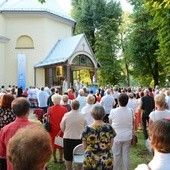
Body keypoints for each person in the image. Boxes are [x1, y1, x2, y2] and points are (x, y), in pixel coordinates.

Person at [0, 97, 33, 170]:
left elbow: (2, 155)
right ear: (28, 110)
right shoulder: (37, 129)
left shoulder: (5, 130)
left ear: (13, 111)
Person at [82, 104, 116, 170]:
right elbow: (111, 144)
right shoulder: (109, 128)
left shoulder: (86, 129)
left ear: (91, 114)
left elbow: (84, 146)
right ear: (103, 114)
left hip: (90, 159)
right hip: (106, 159)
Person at [109, 93, 134, 170]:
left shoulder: (113, 111)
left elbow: (110, 122)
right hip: (127, 135)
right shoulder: (131, 111)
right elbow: (132, 121)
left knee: (116, 155)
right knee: (125, 155)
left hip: (116, 136)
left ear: (118, 101)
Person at [60, 100, 86, 170]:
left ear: (71, 106)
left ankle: (69, 169)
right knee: (80, 157)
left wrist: (66, 132)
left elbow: (62, 126)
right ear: (78, 107)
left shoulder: (66, 115)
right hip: (79, 138)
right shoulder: (82, 116)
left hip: (68, 137)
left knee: (68, 158)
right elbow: (85, 127)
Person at [47, 94, 68, 163]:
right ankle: (61, 158)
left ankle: (54, 158)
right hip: (61, 129)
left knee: (53, 144)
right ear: (60, 100)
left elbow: (48, 118)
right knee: (61, 145)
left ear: (53, 101)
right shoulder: (65, 109)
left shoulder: (50, 109)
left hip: (52, 129)